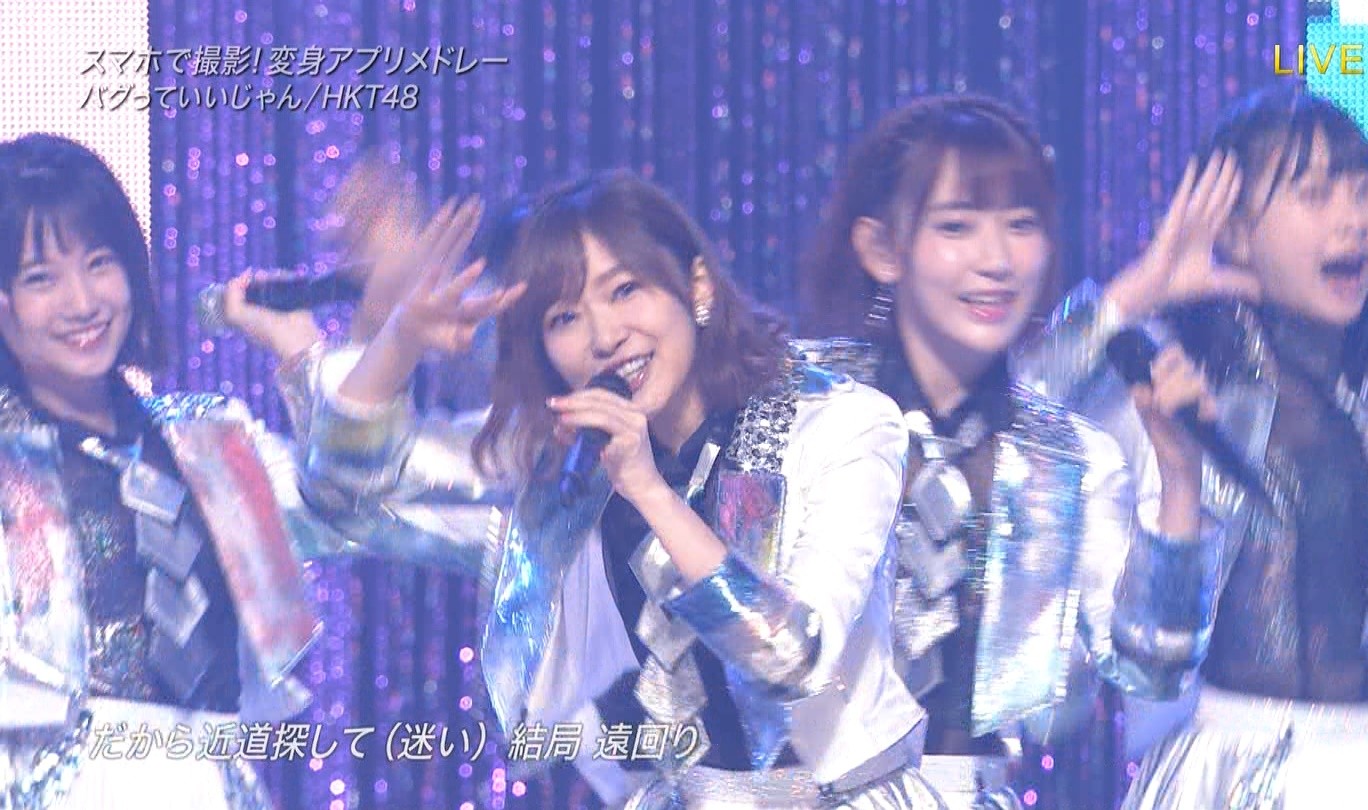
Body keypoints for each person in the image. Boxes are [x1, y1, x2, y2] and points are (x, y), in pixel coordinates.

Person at [298, 170, 946, 807]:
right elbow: (346, 499)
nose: (605, 337)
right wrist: (398, 338)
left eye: (625, 290)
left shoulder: (839, 424)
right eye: (564, 317)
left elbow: (791, 658)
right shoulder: (566, 466)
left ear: (696, 284)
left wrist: (650, 492)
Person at [797, 94, 1228, 808]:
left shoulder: (1065, 456)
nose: (996, 260)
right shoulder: (801, 409)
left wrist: (1182, 480)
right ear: (881, 249)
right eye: (957, 226)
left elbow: (1154, 668)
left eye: (1021, 225)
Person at [1020, 85, 1368, 808]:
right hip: (1227, 770)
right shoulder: (1169, 376)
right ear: (1237, 234)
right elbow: (1014, 416)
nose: (1353, 221)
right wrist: (1137, 292)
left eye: (1365, 192)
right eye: (1314, 195)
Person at [0, 133, 335, 808]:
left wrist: (304, 354)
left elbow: (348, 505)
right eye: (41, 278)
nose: (82, 301)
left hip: (213, 778)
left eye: (99, 263)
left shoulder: (212, 438)